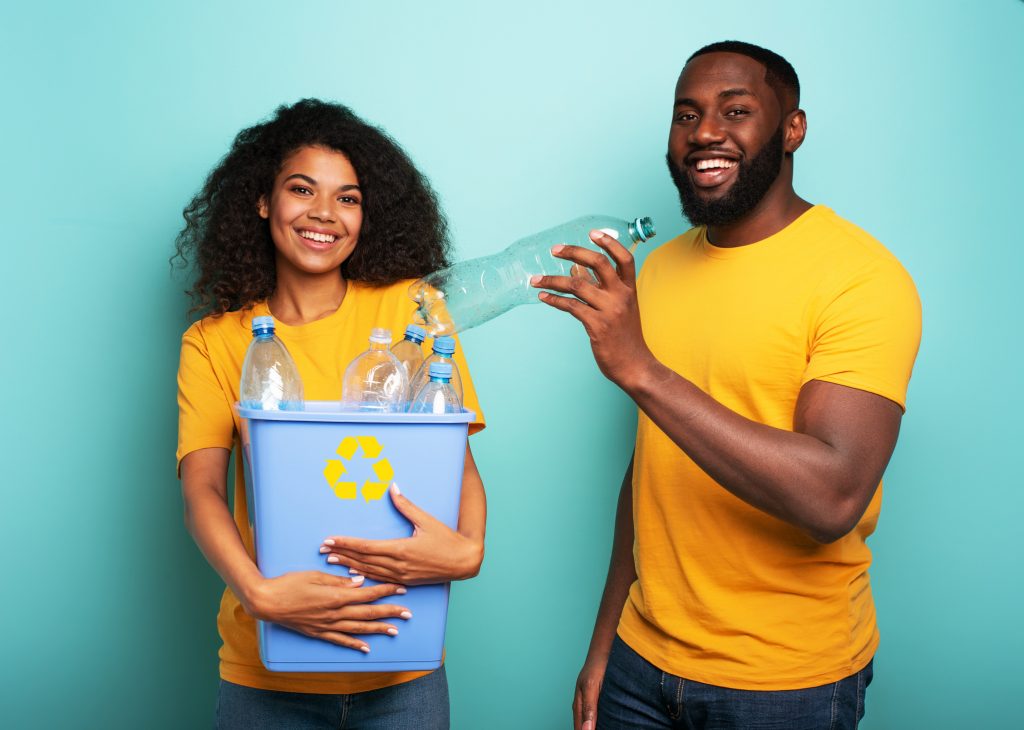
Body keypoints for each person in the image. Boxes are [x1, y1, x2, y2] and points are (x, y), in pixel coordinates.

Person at [532, 41, 922, 729]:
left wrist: (643, 372)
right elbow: (652, 468)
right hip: (638, 665)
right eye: (687, 115)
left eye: (735, 110)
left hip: (784, 685)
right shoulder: (659, 271)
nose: (705, 132)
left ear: (792, 128)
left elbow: (833, 496)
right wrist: (603, 647)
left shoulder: (861, 278)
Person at [174, 99, 486, 729]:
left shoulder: (412, 309)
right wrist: (259, 594)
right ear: (262, 201)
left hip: (402, 664)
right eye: (301, 190)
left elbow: (458, 463)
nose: (324, 214)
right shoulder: (215, 340)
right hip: (264, 673)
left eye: (348, 198)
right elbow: (202, 487)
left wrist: (470, 550)